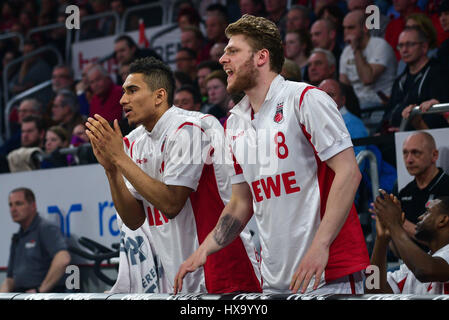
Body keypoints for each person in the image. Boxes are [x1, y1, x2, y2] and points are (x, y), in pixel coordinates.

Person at [174, 14, 369, 294]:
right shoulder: (234, 123)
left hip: (327, 274)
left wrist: (320, 245)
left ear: (261, 57)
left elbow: (349, 172)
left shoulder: (304, 99)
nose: (222, 59)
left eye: (233, 51)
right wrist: (203, 251)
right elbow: (241, 202)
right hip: (275, 280)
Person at [85, 57, 262, 293]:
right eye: (124, 91)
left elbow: (171, 204)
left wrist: (120, 159)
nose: (122, 99)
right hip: (179, 275)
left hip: (225, 271)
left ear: (159, 96)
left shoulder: (191, 129)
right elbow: (134, 220)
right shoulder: (133, 143)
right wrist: (111, 170)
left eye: (132, 90)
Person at [368, 191, 449, 294]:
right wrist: (382, 239)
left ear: (443, 220)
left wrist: (394, 224)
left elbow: (424, 271)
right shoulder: (411, 267)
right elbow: (372, 288)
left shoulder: (422, 266)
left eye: (427, 212)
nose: (419, 217)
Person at [0, 188, 71, 293]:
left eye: (18, 204)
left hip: (45, 295)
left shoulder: (45, 228)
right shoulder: (17, 237)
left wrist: (40, 291)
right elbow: (10, 279)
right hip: (21, 295)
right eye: (10, 205)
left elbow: (63, 259)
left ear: (33, 206)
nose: (13, 209)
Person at [380, 26, 449, 132]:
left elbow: (437, 118)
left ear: (424, 47)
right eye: (401, 46)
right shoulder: (400, 80)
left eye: (409, 44)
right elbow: (388, 113)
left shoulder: (438, 73)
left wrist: (405, 129)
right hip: (394, 138)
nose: (404, 50)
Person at [396, 131, 449, 243]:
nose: (409, 160)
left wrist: (397, 221)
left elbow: (441, 242)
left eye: (416, 153)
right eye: (405, 153)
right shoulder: (404, 192)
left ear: (434, 155)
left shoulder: (446, 186)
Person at [340, 10, 397, 111]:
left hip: (380, 106)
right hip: (357, 106)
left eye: (351, 28)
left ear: (365, 28)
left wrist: (356, 50)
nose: (346, 32)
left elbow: (367, 79)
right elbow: (344, 86)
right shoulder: (346, 52)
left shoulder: (380, 45)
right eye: (344, 28)